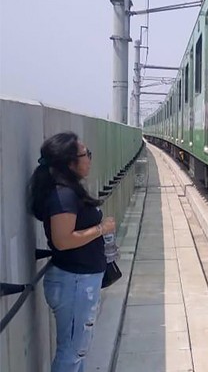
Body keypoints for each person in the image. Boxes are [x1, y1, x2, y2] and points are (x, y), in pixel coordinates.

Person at [28, 132, 116, 372]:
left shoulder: (68, 191)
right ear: (70, 163)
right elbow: (63, 241)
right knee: (71, 353)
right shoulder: (63, 195)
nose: (89, 158)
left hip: (78, 282)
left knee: (77, 351)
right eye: (85, 154)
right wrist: (102, 228)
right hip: (74, 283)